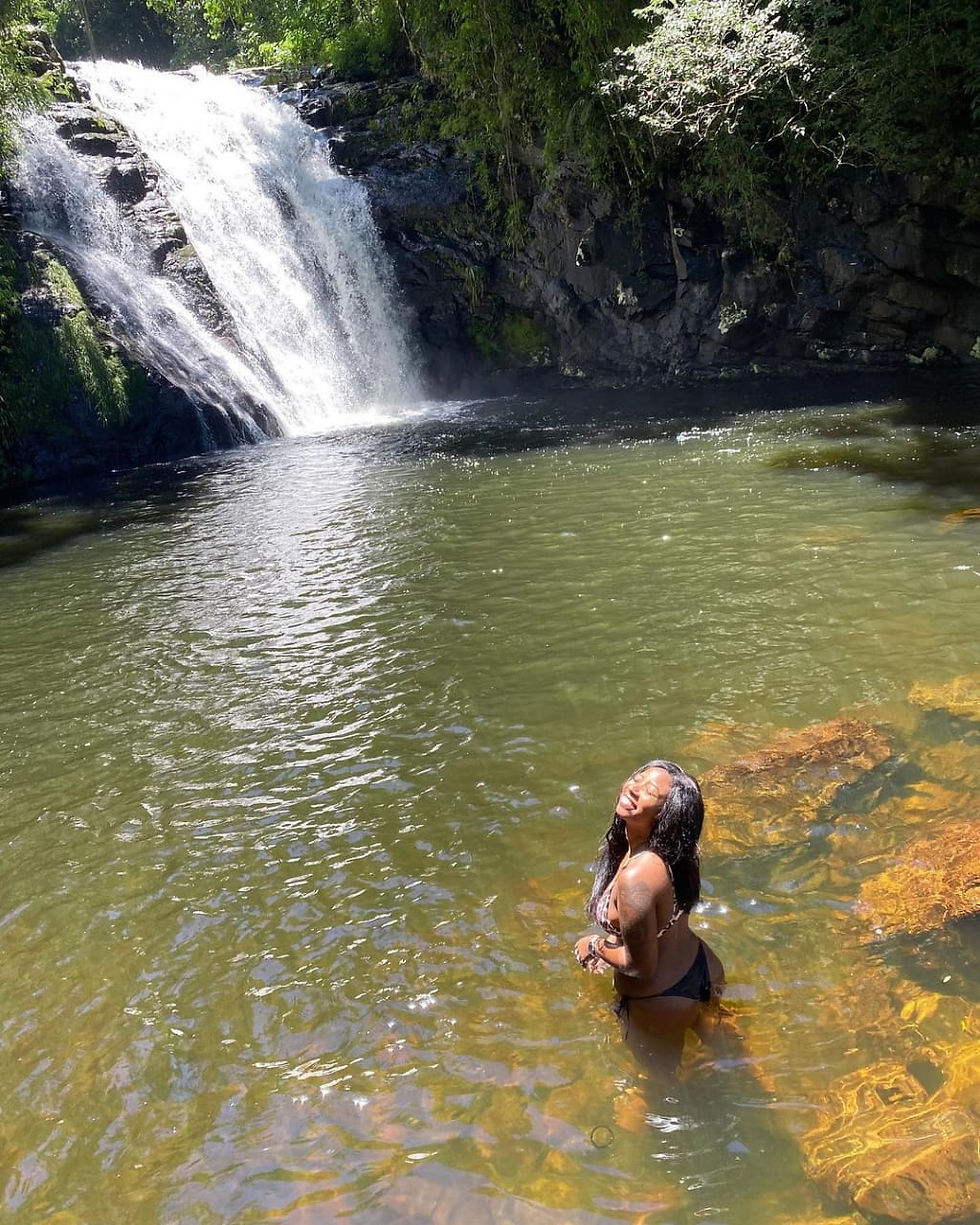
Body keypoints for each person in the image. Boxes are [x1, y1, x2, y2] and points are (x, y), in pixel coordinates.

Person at [574, 759, 725, 1073]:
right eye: (638, 778)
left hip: (660, 1000)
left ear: (663, 816)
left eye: (650, 791)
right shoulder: (676, 854)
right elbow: (655, 923)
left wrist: (595, 947)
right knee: (732, 1061)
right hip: (703, 968)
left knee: (660, 1087)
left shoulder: (637, 876)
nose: (634, 788)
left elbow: (641, 967)